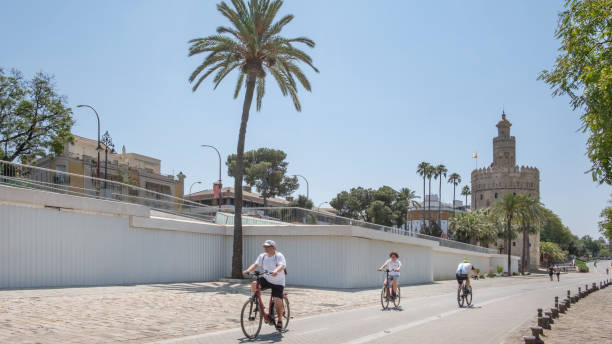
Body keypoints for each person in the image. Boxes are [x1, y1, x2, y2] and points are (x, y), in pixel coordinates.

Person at [243, 240, 287, 331]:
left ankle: (279, 320)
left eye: (267, 247)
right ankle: (260, 306)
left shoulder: (278, 256)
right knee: (254, 284)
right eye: (264, 247)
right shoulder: (262, 256)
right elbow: (255, 265)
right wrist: (247, 270)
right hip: (267, 279)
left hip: (278, 282)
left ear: (273, 248)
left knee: (277, 300)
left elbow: (282, 266)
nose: (265, 248)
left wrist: (276, 271)